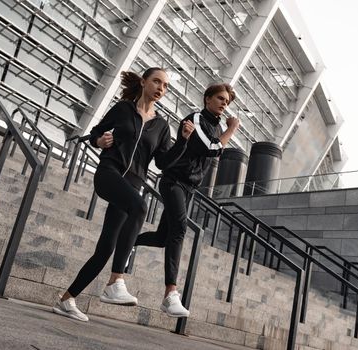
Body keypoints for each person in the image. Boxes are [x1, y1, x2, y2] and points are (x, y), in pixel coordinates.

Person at [52, 67, 195, 322]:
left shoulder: (162, 126)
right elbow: (96, 131)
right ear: (143, 82)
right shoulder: (123, 109)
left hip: (132, 184)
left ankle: (67, 299)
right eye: (156, 82)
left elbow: (162, 162)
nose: (161, 88)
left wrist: (183, 141)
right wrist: (99, 141)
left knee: (105, 248)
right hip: (109, 173)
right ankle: (116, 280)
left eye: (165, 86)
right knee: (140, 207)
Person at [134, 83, 239, 318]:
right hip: (174, 181)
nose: (224, 103)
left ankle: (129, 240)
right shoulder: (196, 119)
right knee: (180, 228)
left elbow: (214, 149)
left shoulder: (216, 125)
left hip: (189, 186)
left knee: (163, 238)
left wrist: (224, 131)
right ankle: (170, 294)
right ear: (207, 98)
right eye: (220, 98)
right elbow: (213, 149)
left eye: (227, 101)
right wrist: (232, 130)